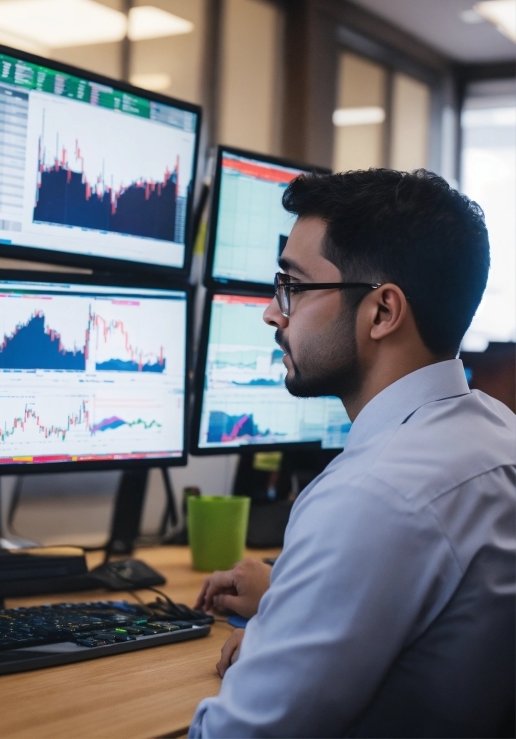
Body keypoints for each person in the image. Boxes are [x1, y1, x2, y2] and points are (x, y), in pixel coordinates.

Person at [188, 169, 516, 738]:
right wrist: (290, 600)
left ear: (383, 312)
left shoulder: (372, 494)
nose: (273, 312)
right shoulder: (498, 434)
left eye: (293, 286)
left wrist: (274, 642)